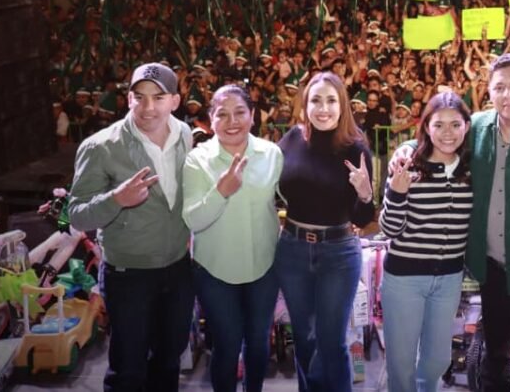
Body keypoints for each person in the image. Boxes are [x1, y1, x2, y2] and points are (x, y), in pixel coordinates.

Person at [389, 52, 510, 391]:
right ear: (489, 91)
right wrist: (407, 148)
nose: (508, 95)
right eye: (500, 88)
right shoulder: (478, 127)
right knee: (493, 359)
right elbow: (441, 136)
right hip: (495, 270)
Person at [68, 62, 195, 392]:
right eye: (140, 97)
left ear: (175, 102)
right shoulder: (100, 147)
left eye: (158, 97)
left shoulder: (185, 134)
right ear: (128, 100)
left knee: (170, 358)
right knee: (128, 369)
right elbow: (77, 215)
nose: (148, 107)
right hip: (129, 275)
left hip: (178, 269)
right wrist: (116, 199)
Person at [274, 72, 374, 392]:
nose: (323, 108)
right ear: (305, 104)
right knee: (304, 339)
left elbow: (363, 216)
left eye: (331, 100)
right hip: (293, 249)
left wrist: (365, 194)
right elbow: (271, 187)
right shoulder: (291, 139)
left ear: (342, 105)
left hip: (338, 252)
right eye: (316, 100)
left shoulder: (355, 147)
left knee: (331, 342)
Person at [182, 85, 283, 392]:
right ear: (210, 121)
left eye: (240, 112)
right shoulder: (197, 160)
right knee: (226, 345)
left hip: (264, 267)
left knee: (257, 342)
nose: (232, 121)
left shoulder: (271, 154)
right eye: (222, 114)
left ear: (253, 116)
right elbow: (193, 220)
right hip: (215, 271)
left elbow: (295, 198)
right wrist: (221, 192)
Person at [378, 92, 473, 392]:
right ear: (426, 127)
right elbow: (389, 230)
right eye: (439, 124)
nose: (447, 133)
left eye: (455, 124)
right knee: (401, 363)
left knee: (437, 360)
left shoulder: (472, 169)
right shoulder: (408, 166)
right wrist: (396, 193)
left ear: (467, 127)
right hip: (404, 278)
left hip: (448, 279)